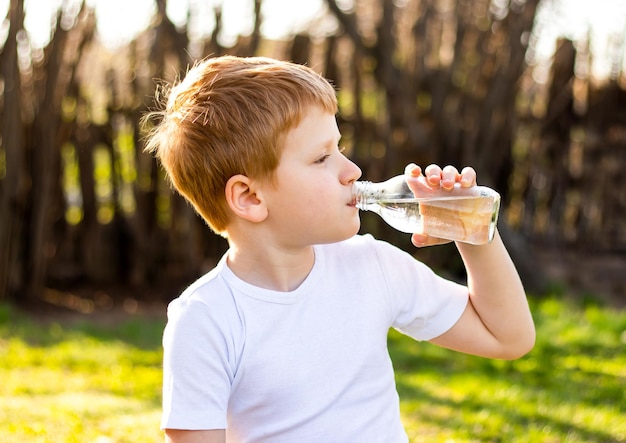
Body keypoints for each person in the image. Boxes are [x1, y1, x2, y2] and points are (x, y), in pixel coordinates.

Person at [143, 55, 535, 443]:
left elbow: (508, 338)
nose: (352, 171)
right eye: (321, 158)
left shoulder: (371, 266)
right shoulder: (206, 320)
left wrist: (469, 228)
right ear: (249, 197)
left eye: (339, 149)